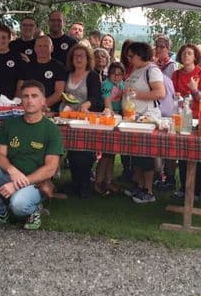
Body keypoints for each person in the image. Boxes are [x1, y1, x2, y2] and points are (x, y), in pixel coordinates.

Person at [0, 80, 63, 231]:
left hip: (35, 182)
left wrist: (18, 184)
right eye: (25, 96)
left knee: (18, 206)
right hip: (11, 175)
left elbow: (50, 169)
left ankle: (35, 209)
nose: (30, 100)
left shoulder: (52, 130)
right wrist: (12, 171)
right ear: (21, 101)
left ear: (43, 101)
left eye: (34, 96)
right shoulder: (10, 124)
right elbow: (0, 155)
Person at [122, 42, 166, 204]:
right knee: (137, 154)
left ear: (141, 55)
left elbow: (160, 93)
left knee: (145, 154)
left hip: (146, 118)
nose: (129, 58)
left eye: (131, 55)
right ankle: (140, 186)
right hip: (134, 118)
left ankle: (149, 190)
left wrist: (135, 95)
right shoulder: (136, 69)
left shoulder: (152, 70)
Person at [60, 45, 102, 198]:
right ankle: (75, 182)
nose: (78, 58)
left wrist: (87, 104)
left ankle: (84, 184)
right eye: (75, 56)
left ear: (87, 59)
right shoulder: (66, 74)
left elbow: (96, 98)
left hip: (84, 118)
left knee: (83, 152)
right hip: (66, 117)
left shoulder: (92, 75)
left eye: (81, 56)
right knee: (72, 151)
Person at [171, 44, 201, 201]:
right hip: (181, 117)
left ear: (195, 57)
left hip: (197, 120)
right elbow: (172, 95)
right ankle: (183, 188)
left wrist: (194, 90)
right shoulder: (176, 74)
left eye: (189, 53)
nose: (185, 56)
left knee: (196, 156)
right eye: (183, 54)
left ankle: (196, 192)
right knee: (182, 155)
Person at [96, 61, 125, 195]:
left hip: (120, 118)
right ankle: (98, 182)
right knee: (106, 153)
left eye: (119, 74)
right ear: (109, 74)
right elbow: (108, 104)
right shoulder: (106, 85)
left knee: (112, 153)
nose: (116, 77)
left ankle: (108, 181)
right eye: (113, 74)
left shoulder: (121, 84)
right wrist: (114, 118)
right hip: (110, 119)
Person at [19, 35, 66, 109]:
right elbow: (20, 89)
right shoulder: (27, 67)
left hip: (50, 111)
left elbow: (59, 93)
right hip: (28, 109)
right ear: (35, 48)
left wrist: (40, 106)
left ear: (52, 48)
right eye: (39, 46)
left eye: (46, 46)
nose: (42, 49)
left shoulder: (59, 67)